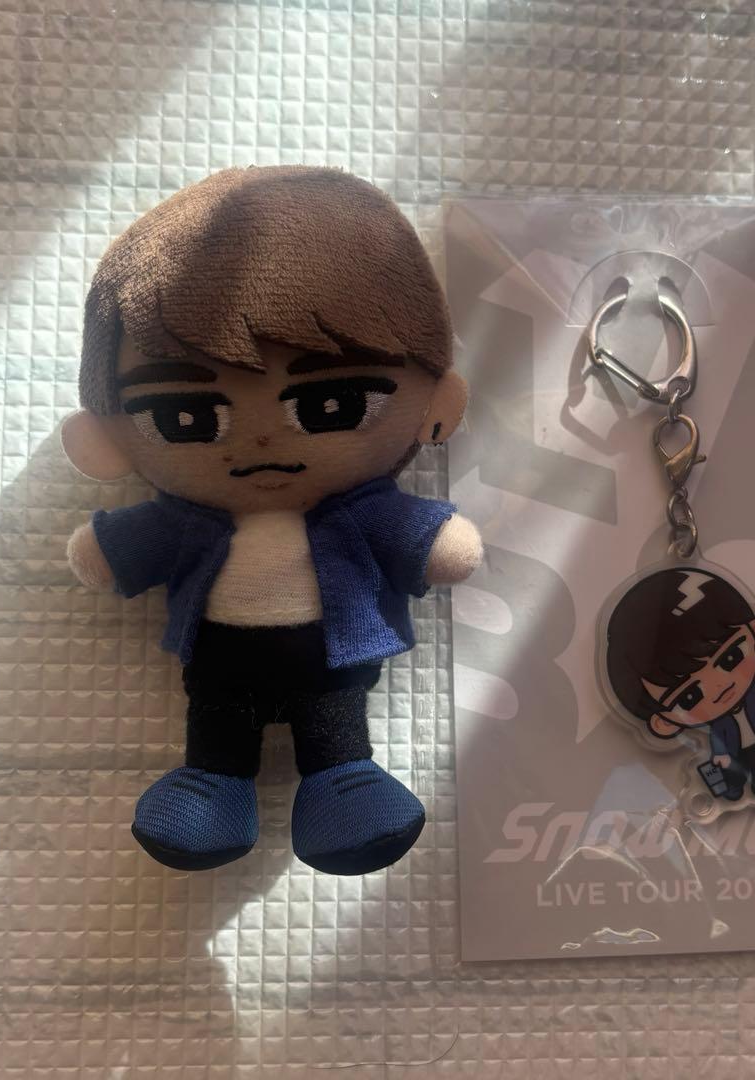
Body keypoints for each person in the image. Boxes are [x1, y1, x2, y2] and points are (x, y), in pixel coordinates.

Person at [62, 166, 483, 873]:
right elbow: (122, 548)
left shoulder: (359, 512)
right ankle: (212, 784)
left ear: (436, 405)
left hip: (331, 664)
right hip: (222, 666)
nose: (261, 439)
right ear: (107, 435)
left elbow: (434, 545)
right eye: (186, 415)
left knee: (334, 726)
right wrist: (106, 549)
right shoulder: (187, 521)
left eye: (330, 405)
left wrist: (437, 539)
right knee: (217, 724)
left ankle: (343, 782)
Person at [604, 567, 755, 802]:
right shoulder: (718, 724)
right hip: (730, 756)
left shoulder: (752, 700)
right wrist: (720, 755)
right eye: (690, 696)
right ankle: (733, 790)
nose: (718, 686)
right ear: (664, 723)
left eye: (730, 658)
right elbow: (718, 739)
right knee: (732, 777)